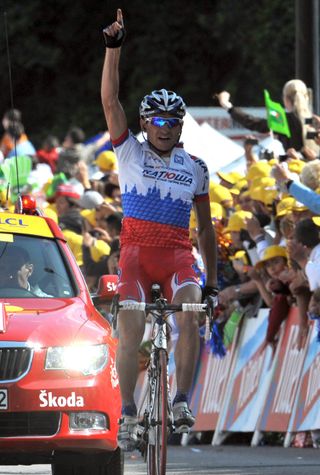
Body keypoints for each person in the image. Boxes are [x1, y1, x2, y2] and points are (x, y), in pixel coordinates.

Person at [101, 9, 218, 451]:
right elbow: (111, 103)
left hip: (177, 256)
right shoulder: (129, 152)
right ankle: (128, 412)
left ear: (181, 126)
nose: (166, 129)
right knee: (130, 331)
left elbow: (205, 230)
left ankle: (183, 400)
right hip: (134, 254)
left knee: (190, 316)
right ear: (147, 123)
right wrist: (113, 50)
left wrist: (215, 281)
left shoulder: (196, 168)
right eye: (158, 121)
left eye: (174, 122)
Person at [216, 80, 319, 161]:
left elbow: (253, 123)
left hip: (295, 172)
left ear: (286, 100)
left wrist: (228, 107)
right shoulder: (313, 121)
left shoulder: (285, 120)